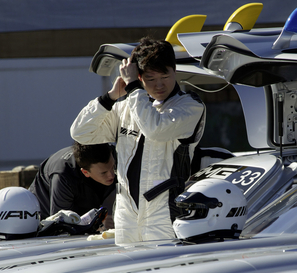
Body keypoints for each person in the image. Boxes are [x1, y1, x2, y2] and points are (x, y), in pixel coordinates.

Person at [71, 37, 206, 244]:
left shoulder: (190, 106)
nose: (159, 84)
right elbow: (81, 133)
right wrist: (110, 97)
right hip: (126, 213)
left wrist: (134, 88)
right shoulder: (126, 106)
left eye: (165, 76)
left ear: (175, 71)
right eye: (150, 78)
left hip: (165, 213)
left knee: (165, 272)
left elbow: (155, 129)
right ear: (140, 76)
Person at [28, 142, 116, 220]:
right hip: (42, 219)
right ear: (85, 172)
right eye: (103, 173)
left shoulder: (117, 155)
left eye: (113, 167)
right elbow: (61, 222)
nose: (112, 174)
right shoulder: (63, 177)